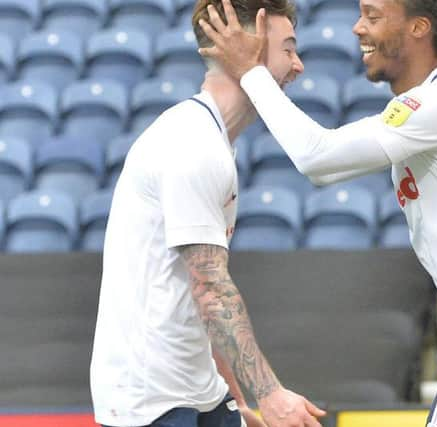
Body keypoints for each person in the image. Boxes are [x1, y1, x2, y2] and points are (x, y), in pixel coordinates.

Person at [197, 0, 437, 425]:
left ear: (419, 27)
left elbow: (317, 158)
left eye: (373, 15)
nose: (357, 28)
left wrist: (251, 71)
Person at [89, 1, 327, 426]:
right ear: (242, 44)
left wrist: (237, 402)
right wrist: (270, 395)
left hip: (200, 392)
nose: (299, 65)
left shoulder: (211, 140)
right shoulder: (192, 144)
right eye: (288, 49)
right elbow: (210, 289)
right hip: (154, 403)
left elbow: (196, 295)